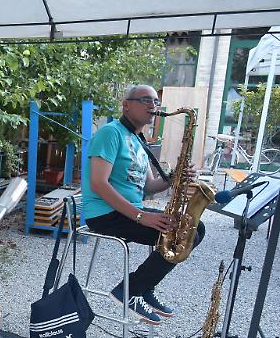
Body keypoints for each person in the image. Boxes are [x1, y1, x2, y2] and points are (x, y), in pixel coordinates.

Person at [81, 85, 205, 325]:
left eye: (156, 102)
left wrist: (175, 177)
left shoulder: (138, 140)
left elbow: (149, 186)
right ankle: (130, 290)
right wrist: (141, 216)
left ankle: (143, 287)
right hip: (105, 214)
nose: (153, 106)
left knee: (196, 228)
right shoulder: (110, 133)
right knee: (180, 234)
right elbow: (98, 183)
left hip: (129, 212)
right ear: (126, 105)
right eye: (146, 100)